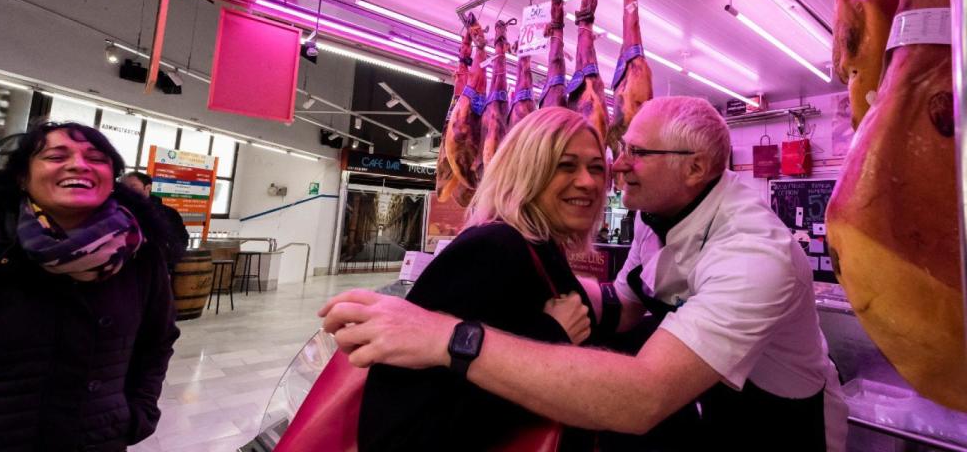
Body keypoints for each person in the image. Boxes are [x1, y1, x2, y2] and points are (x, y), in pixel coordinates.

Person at [321, 96, 847, 451]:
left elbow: (645, 394)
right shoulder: (648, 218)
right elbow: (629, 298)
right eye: (570, 164)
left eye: (630, 155)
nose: (612, 171)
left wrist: (453, 339)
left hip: (783, 421)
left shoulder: (753, 253)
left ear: (695, 169)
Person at [358, 107, 602, 450]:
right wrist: (552, 335)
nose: (588, 182)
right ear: (527, 171)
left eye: (596, 168)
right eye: (566, 165)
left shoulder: (538, 246)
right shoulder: (491, 251)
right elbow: (404, 423)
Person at [0, 121, 181, 451]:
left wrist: (137, 413)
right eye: (55, 156)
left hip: (96, 438)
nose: (78, 164)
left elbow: (157, 341)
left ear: (112, 179)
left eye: (96, 157)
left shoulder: (140, 256)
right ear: (21, 177)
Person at [120, 171, 191, 258]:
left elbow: (181, 239)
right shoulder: (116, 211)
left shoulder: (168, 213)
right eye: (123, 187)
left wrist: (166, 259)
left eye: (133, 186)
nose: (127, 191)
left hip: (157, 266)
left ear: (148, 188)